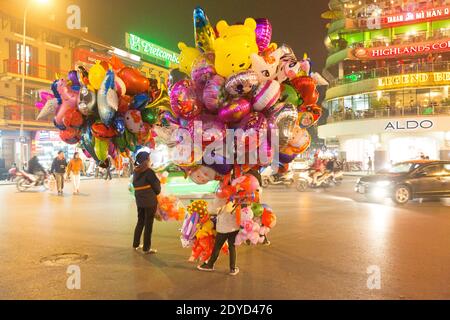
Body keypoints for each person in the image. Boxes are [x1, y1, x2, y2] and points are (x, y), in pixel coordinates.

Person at [197, 201, 240, 276]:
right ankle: (232, 269)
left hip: (223, 229)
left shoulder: (222, 201)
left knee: (217, 247)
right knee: (232, 247)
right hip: (234, 229)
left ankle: (210, 265)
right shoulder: (237, 201)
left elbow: (213, 210)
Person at [132, 152, 161, 254]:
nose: (150, 160)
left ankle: (135, 244)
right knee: (148, 224)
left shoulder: (135, 171)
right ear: (146, 160)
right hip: (149, 201)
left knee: (140, 221)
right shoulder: (149, 172)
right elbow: (157, 188)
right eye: (149, 158)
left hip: (139, 201)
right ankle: (146, 248)